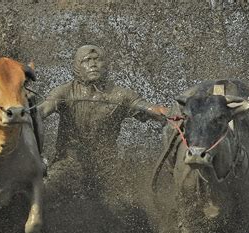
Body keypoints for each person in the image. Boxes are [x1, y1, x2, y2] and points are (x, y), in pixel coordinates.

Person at [38, 44, 168, 200]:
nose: (93, 64)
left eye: (97, 60)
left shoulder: (120, 95)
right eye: (86, 61)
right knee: (45, 190)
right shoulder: (64, 92)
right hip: (68, 162)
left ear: (106, 65)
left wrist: (165, 113)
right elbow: (42, 111)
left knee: (130, 203)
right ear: (77, 66)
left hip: (106, 166)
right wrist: (23, 112)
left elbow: (148, 108)